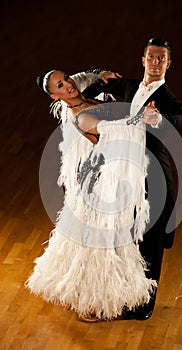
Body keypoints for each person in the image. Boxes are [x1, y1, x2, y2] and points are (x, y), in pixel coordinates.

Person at [25, 69, 158, 322]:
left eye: (66, 79)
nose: (69, 85)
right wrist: (143, 117)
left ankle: (89, 293)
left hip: (100, 175)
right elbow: (117, 132)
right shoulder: (80, 116)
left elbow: (83, 77)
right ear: (55, 98)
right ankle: (90, 302)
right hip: (97, 186)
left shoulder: (79, 92)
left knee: (97, 240)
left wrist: (100, 73)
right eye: (61, 86)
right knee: (98, 242)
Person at [81, 37, 182, 320]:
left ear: (168, 64)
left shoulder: (166, 98)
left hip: (154, 178)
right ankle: (121, 295)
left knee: (151, 243)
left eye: (161, 58)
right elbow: (95, 88)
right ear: (143, 60)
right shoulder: (130, 86)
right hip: (126, 176)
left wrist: (158, 119)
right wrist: (100, 81)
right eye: (151, 57)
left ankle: (143, 306)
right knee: (126, 238)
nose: (155, 62)